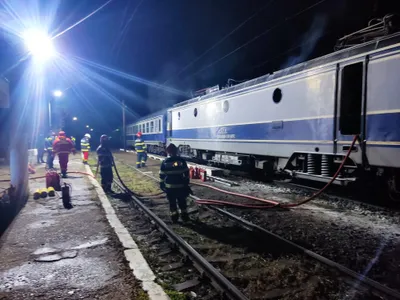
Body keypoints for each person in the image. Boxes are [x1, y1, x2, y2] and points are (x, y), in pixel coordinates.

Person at [159, 143, 192, 223]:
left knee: (172, 203)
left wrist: (162, 184)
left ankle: (174, 218)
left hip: (170, 188)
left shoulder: (165, 162)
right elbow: (186, 173)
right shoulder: (181, 161)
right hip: (181, 186)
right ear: (176, 151)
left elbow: (162, 174)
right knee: (182, 202)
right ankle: (185, 217)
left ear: (168, 152)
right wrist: (186, 183)